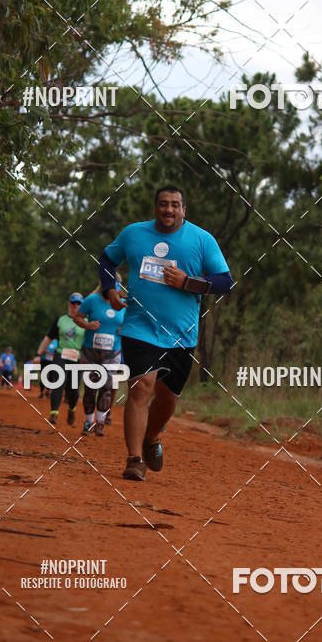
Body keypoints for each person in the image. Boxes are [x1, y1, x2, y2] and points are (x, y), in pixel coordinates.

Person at [99, 185, 233, 480]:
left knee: (167, 399)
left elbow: (225, 282)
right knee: (140, 387)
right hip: (139, 326)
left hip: (180, 334)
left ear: (184, 209)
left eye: (175, 205)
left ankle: (151, 437)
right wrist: (109, 288)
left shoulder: (201, 240)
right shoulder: (134, 234)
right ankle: (134, 460)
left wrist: (188, 282)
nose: (168, 210)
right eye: (163, 204)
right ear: (155, 208)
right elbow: (108, 259)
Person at [74, 282, 126, 436]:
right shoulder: (91, 300)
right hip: (91, 351)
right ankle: (88, 422)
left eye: (116, 288)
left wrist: (124, 328)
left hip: (113, 352)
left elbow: (132, 320)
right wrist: (87, 325)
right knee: (90, 387)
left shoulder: (123, 303)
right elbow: (77, 317)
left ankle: (101, 422)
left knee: (106, 386)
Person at [34, 293, 88, 426]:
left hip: (77, 357)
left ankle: (72, 409)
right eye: (73, 303)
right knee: (57, 383)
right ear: (69, 303)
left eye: (79, 303)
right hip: (61, 354)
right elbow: (48, 338)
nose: (76, 306)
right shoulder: (60, 320)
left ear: (82, 305)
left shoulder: (86, 321)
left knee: (74, 389)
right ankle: (54, 413)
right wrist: (38, 353)